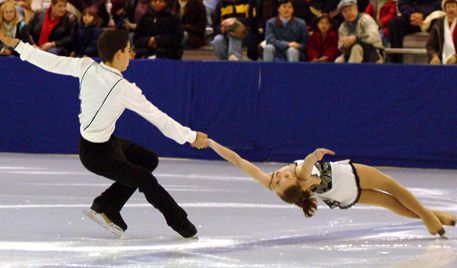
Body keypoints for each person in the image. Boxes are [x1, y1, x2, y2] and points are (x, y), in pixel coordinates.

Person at [0, 29, 208, 238]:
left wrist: (18, 45)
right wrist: (190, 137)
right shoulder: (122, 88)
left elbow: (49, 61)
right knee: (145, 179)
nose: (131, 55)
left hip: (105, 144)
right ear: (118, 53)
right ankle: (182, 225)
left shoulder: (86, 66)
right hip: (97, 156)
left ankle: (107, 205)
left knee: (147, 160)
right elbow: (158, 118)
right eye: (128, 50)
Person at [206, 138, 456, 237]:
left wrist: (211, 143)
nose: (281, 175)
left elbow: (238, 161)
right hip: (350, 175)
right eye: (284, 179)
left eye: (280, 178)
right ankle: (428, 218)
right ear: (294, 185)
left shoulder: (267, 181)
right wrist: (315, 155)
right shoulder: (300, 176)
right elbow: (305, 166)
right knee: (395, 190)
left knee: (389, 203)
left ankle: (437, 217)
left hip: (341, 194)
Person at [426, 0, 457, 64]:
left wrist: (455, 56)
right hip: (440, 60)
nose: (451, 9)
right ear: (445, 9)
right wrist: (434, 56)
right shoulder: (438, 24)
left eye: (453, 6)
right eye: (448, 7)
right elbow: (430, 46)